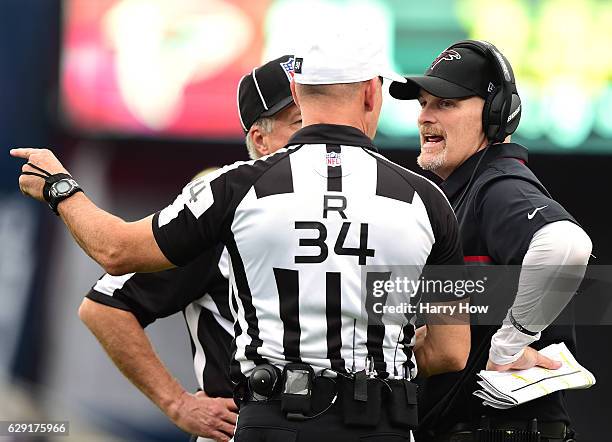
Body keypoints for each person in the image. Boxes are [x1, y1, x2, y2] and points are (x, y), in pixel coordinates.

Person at [11, 23, 470, 440]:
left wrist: (62, 189)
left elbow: (115, 250)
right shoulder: (427, 200)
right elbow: (451, 351)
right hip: (381, 426)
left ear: (301, 91)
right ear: (373, 95)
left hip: (271, 421)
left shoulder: (231, 189)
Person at [77, 55, 301, 442]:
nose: (317, 135)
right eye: (300, 123)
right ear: (260, 140)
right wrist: (177, 403)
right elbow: (104, 304)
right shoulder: (226, 214)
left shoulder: (384, 205)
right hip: (246, 427)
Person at [390, 40, 592, 442]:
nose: (425, 117)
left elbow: (567, 245)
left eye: (445, 104)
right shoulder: (461, 193)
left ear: (496, 114)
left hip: (502, 430)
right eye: (424, 103)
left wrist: (507, 347)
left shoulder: (498, 184)